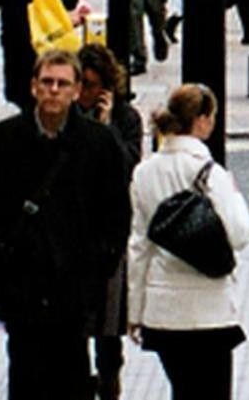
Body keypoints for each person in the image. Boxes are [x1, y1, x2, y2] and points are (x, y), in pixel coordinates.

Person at [0, 48, 131, 395]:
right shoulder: (0, 141)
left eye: (62, 84)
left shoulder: (99, 144)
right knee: (25, 371)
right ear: (33, 86)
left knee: (72, 371)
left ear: (77, 90)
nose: (53, 90)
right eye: (46, 82)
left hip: (73, 286)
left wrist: (98, 264)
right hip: (20, 282)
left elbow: (116, 215)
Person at [128, 82, 249, 393]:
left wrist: (134, 312)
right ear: (200, 120)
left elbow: (138, 247)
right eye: (211, 116)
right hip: (210, 312)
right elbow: (239, 234)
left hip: (164, 313)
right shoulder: (211, 173)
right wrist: (235, 195)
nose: (212, 123)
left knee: (183, 390)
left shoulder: (144, 173)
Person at [76, 45, 143, 400]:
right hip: (75, 234)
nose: (84, 93)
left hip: (110, 236)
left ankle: (109, 388)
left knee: (107, 334)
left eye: (92, 85)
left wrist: (105, 129)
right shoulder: (68, 117)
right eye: (81, 84)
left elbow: (128, 166)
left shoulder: (126, 119)